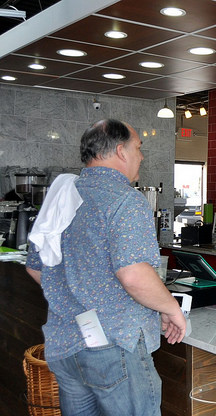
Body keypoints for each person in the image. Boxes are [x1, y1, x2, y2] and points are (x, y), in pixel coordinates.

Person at [25, 119, 186, 416]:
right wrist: (171, 309)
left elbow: (37, 268)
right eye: (138, 148)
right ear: (121, 151)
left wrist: (78, 300)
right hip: (114, 345)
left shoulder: (61, 196)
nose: (141, 156)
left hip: (66, 341)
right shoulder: (126, 200)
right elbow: (134, 275)